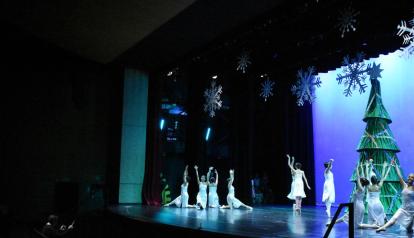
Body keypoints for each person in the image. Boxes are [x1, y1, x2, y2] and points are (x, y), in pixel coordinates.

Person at [377, 162, 414, 233]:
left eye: (412, 177)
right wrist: (395, 166)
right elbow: (399, 176)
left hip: (411, 210)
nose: (409, 178)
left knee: (409, 229)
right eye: (409, 176)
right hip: (403, 208)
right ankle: (383, 227)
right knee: (394, 218)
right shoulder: (404, 185)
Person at [329, 163, 369, 227]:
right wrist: (362, 168)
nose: (359, 181)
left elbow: (358, 178)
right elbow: (365, 178)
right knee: (345, 217)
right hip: (358, 205)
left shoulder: (360, 188)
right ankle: (332, 223)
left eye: (360, 181)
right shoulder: (364, 187)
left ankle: (374, 226)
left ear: (361, 182)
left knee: (358, 224)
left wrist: (356, 169)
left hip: (358, 206)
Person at [359, 159, 392, 228]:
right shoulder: (379, 186)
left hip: (371, 204)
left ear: (371, 181)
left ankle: (375, 224)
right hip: (378, 203)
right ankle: (382, 221)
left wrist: (366, 166)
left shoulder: (369, 187)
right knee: (381, 212)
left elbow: (367, 176)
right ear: (376, 180)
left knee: (373, 218)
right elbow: (383, 177)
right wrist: (384, 167)